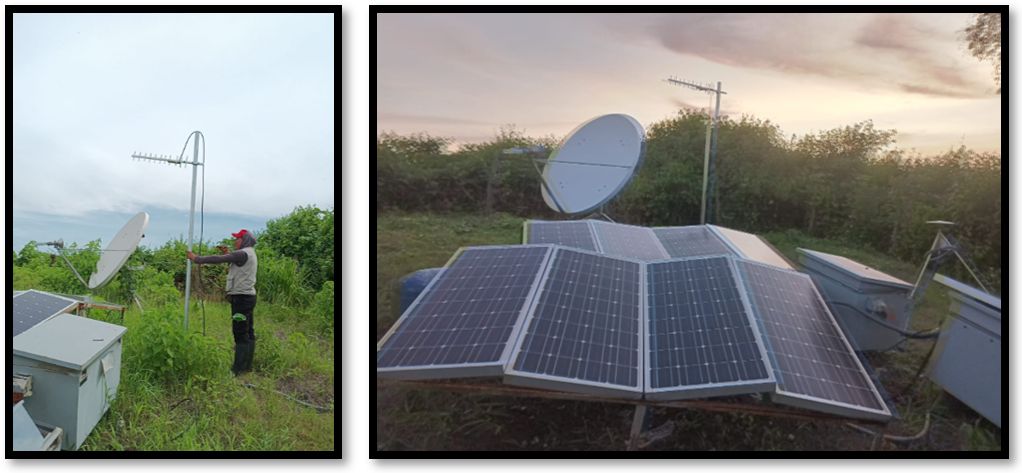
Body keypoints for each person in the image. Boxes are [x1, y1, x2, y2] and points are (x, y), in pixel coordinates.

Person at [187, 229, 258, 375]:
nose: (234, 241)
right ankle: (247, 366)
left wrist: (196, 259)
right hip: (248, 297)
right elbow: (235, 262)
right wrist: (228, 253)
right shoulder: (248, 253)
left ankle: (238, 371)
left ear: (244, 240)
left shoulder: (243, 253)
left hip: (241, 299)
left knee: (240, 333)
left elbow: (218, 259)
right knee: (248, 332)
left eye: (237, 239)